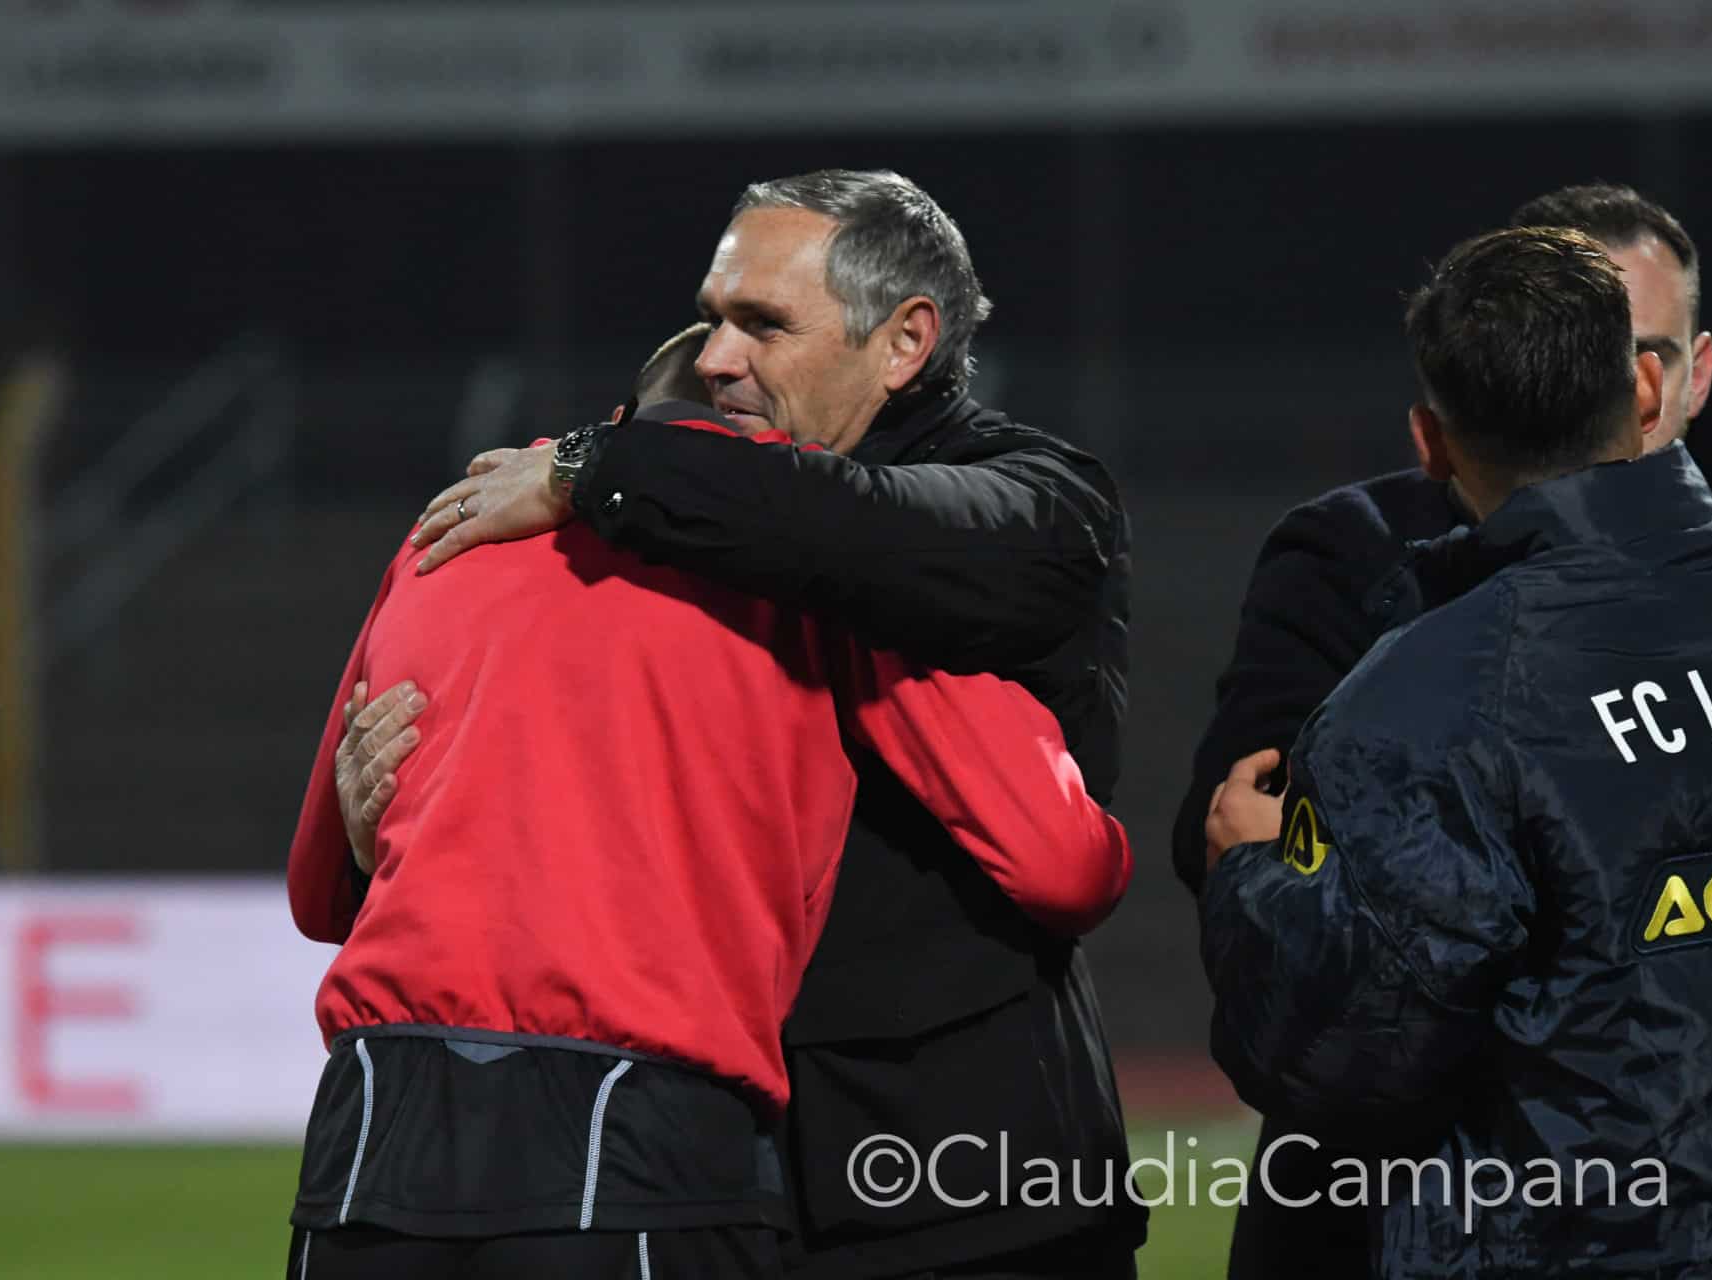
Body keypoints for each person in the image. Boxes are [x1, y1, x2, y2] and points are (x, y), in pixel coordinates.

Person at [345, 169, 1142, 1277]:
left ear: (906, 340)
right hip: (710, 1172)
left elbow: (845, 523)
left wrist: (592, 463)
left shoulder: (1036, 500)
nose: (719, 356)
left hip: (967, 1184)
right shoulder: (675, 531)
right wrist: (375, 825)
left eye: (763, 323)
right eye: (713, 320)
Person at [1170, 182, 1712, 1279]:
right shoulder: (1359, 576)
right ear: (1650, 382)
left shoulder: (1421, 694)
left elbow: (1352, 1052)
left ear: (1432, 439)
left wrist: (1256, 879)